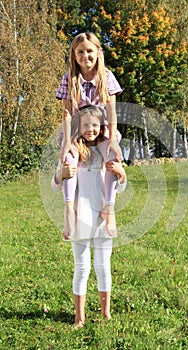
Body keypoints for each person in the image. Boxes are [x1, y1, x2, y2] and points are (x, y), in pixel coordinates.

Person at [51, 105, 127, 328]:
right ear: (79, 127)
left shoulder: (106, 150)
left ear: (101, 127)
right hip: (80, 214)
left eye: (95, 125)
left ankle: (106, 313)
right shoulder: (73, 151)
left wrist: (122, 176)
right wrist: (60, 174)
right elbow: (56, 184)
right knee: (82, 267)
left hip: (103, 213)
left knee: (103, 266)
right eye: (85, 125)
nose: (90, 129)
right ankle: (79, 317)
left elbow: (118, 187)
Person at [56, 32, 123, 237]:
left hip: (101, 130)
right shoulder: (69, 78)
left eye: (89, 51)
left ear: (98, 52)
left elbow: (111, 110)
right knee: (69, 160)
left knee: (112, 157)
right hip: (76, 131)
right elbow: (66, 112)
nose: (85, 55)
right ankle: (69, 212)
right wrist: (67, 142)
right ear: (74, 55)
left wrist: (112, 139)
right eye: (80, 52)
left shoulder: (107, 76)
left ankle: (109, 209)